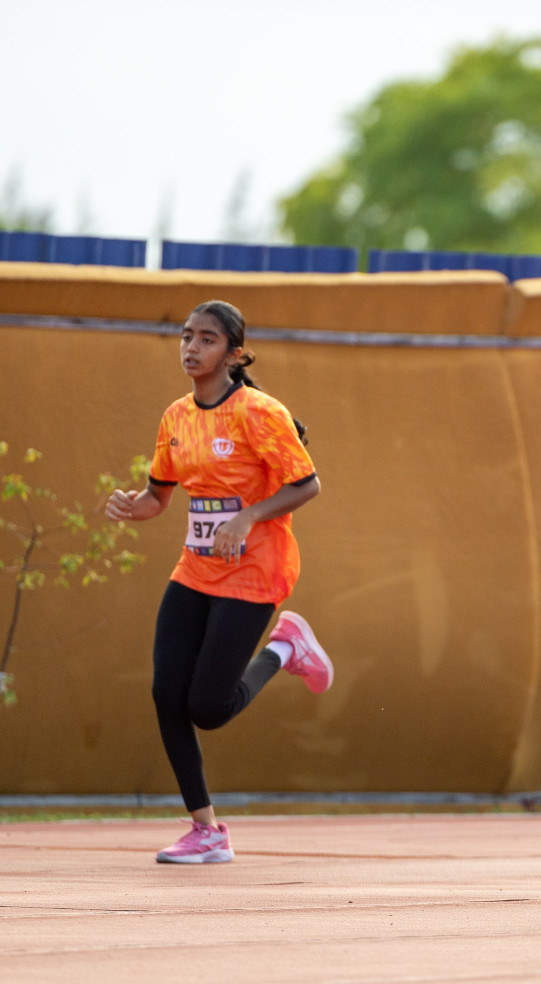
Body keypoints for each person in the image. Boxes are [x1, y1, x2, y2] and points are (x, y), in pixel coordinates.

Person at [105, 300, 333, 864]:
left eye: (206, 339)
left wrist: (247, 516)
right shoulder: (176, 417)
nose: (191, 348)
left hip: (256, 570)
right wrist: (139, 506)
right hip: (197, 569)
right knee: (166, 693)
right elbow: (161, 494)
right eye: (186, 337)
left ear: (233, 353)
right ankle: (206, 830)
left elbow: (307, 485)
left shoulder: (258, 412)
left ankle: (286, 646)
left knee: (208, 707)